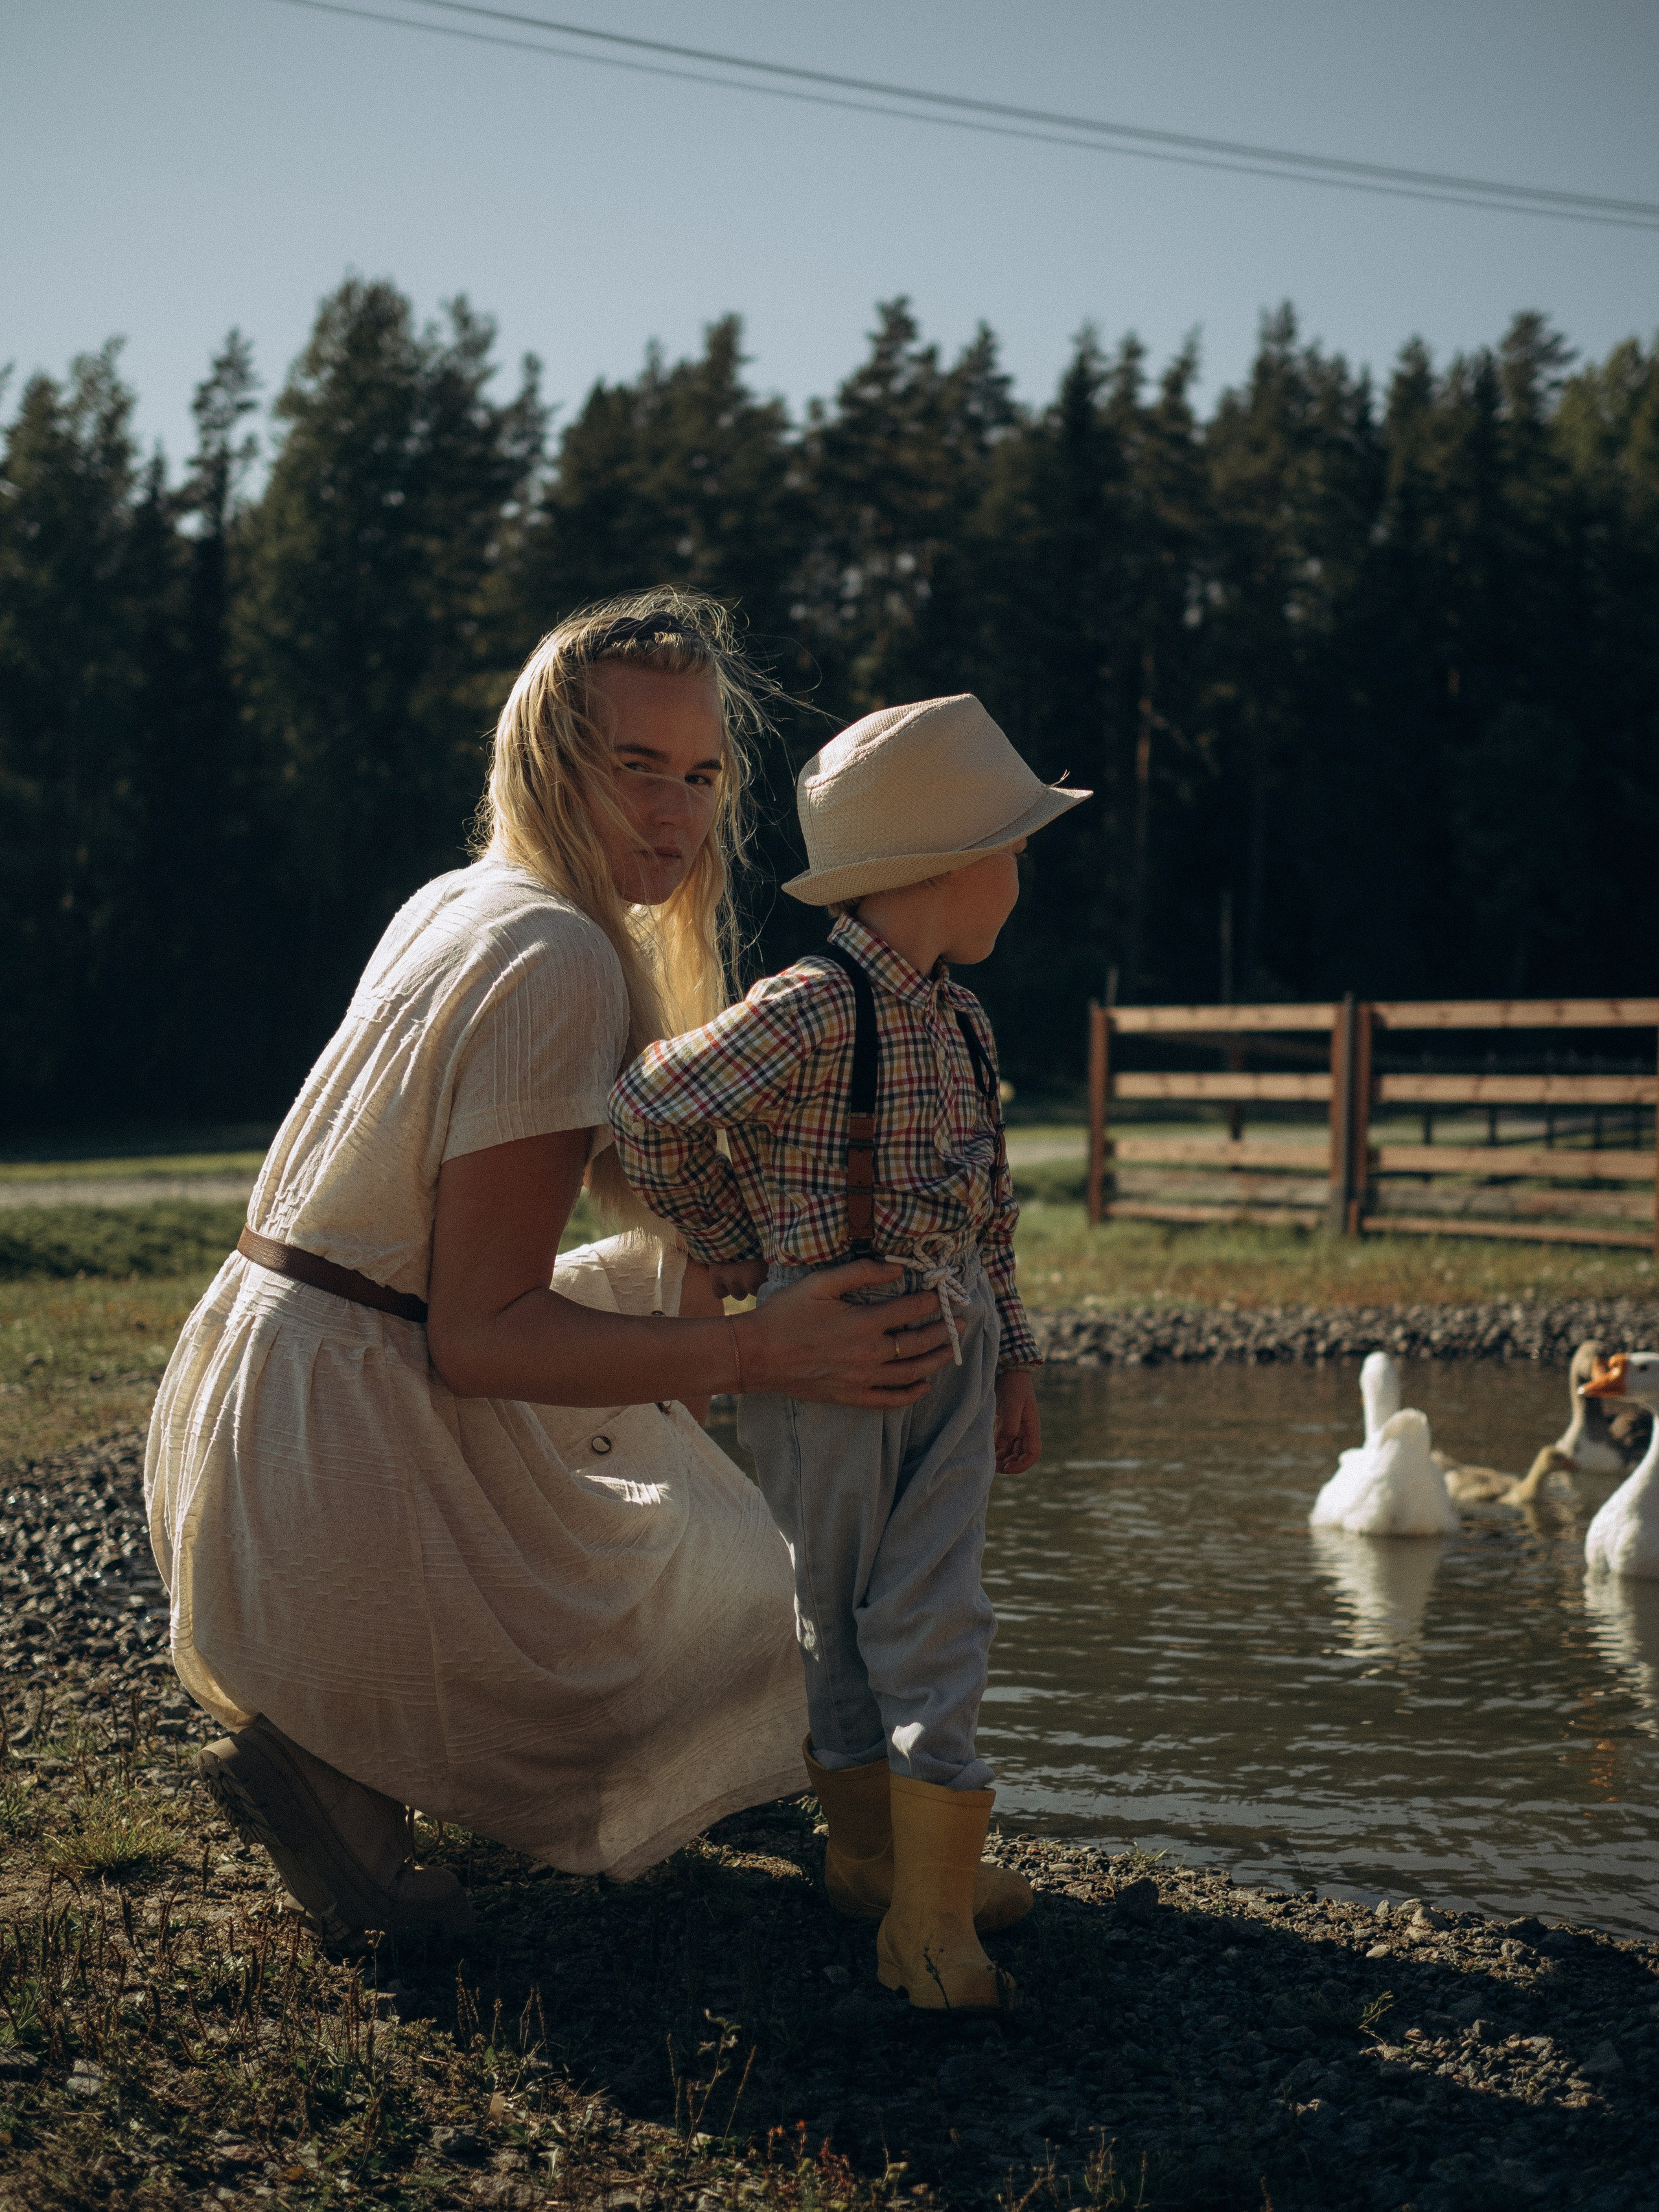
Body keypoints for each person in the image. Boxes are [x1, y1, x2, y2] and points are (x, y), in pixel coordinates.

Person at [144, 594, 957, 1944]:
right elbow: (481, 1336)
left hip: (253, 1410)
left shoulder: (460, 900)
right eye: (633, 766)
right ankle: (351, 1749)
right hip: (329, 1455)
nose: (675, 809)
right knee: (757, 1598)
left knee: (669, 1269)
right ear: (545, 762)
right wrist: (764, 1350)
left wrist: (734, 1265)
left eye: (700, 776)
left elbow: (531, 1246)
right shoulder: (556, 956)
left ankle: (368, 1717)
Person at [610, 693, 1090, 2010]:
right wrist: (743, 1267)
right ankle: (873, 1864)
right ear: (941, 868)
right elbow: (649, 1109)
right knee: (833, 1606)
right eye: (1011, 845)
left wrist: (1012, 1361)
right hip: (825, 1359)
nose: (1022, 872)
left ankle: (929, 1900)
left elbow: (988, 1210)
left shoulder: (964, 1022)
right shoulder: (812, 1007)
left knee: (934, 1607)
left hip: (951, 1340)